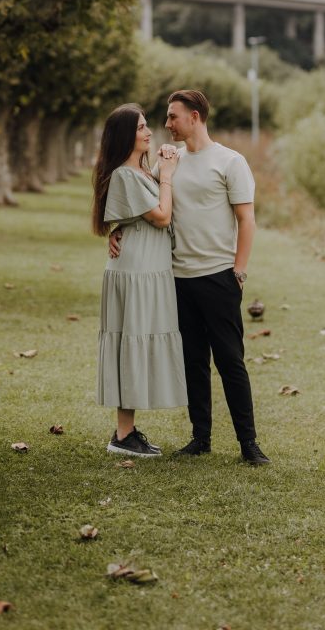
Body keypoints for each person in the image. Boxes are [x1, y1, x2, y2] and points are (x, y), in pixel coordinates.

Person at [110, 89, 270, 465]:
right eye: (165, 118)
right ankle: (201, 437)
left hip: (218, 277)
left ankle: (249, 444)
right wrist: (117, 229)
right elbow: (141, 199)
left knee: (231, 361)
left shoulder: (231, 161)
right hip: (177, 279)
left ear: (195, 116)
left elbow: (247, 219)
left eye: (172, 117)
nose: (167, 125)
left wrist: (239, 270)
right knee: (193, 361)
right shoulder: (169, 160)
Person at [92, 103, 187, 458]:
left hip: (148, 269)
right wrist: (167, 175)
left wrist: (164, 162)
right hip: (135, 272)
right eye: (142, 127)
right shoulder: (123, 175)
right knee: (130, 342)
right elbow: (161, 216)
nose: (150, 132)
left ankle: (127, 432)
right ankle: (123, 434)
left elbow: (144, 212)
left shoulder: (141, 172)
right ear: (125, 136)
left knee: (138, 343)